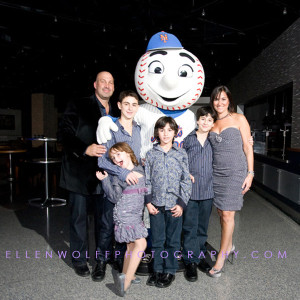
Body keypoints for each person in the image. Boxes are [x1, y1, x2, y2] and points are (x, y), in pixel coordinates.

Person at [57, 71, 115, 279]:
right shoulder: (78, 104)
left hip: (106, 174)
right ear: (95, 84)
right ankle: (79, 259)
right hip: (79, 173)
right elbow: (64, 133)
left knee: (104, 220)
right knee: (79, 218)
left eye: (110, 82)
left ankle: (101, 258)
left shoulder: (117, 109)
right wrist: (84, 149)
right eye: (103, 81)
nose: (106, 85)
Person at [207, 85, 254, 278]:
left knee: (227, 214)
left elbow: (247, 146)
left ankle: (222, 256)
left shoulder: (239, 119)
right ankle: (230, 244)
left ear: (229, 101)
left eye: (223, 99)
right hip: (216, 172)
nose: (219, 103)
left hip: (236, 171)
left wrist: (250, 173)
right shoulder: (210, 122)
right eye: (216, 99)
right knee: (220, 211)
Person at [145, 116, 192, 288]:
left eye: (169, 130)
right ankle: (157, 269)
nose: (165, 134)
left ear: (175, 132)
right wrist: (148, 202)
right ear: (157, 132)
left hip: (174, 205)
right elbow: (147, 181)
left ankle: (170, 270)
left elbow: (186, 180)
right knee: (157, 240)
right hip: (156, 205)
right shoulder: (150, 154)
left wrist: (181, 204)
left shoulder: (181, 154)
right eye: (162, 130)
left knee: (172, 241)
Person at [97, 90, 141, 273]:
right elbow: (102, 160)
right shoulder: (110, 127)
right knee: (108, 225)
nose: (130, 108)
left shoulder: (139, 128)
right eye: (127, 104)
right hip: (114, 185)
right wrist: (123, 173)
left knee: (126, 227)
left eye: (134, 104)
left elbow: (138, 157)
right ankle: (100, 262)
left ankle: (120, 261)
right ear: (119, 105)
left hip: (133, 188)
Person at [96, 142, 148, 296]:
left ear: (128, 153)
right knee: (141, 243)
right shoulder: (118, 176)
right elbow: (113, 197)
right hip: (125, 215)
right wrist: (105, 180)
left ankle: (125, 275)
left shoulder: (140, 168)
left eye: (118, 154)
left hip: (136, 215)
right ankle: (125, 283)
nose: (115, 158)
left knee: (131, 246)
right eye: (112, 158)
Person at [182, 106, 216, 282]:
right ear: (197, 120)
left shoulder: (214, 140)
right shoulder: (188, 140)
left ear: (213, 123)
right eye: (203, 118)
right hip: (190, 192)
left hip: (208, 191)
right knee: (190, 227)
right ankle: (190, 262)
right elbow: (179, 158)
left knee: (202, 228)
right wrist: (184, 172)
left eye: (209, 120)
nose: (205, 122)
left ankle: (200, 256)